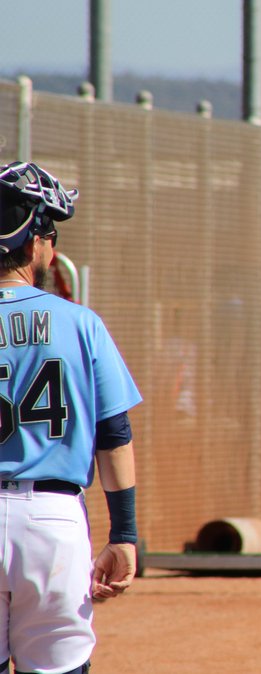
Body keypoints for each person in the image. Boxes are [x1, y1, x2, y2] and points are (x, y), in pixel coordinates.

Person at [0, 162, 142, 673]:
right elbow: (114, 434)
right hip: (51, 522)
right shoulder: (80, 323)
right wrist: (124, 533)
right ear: (36, 243)